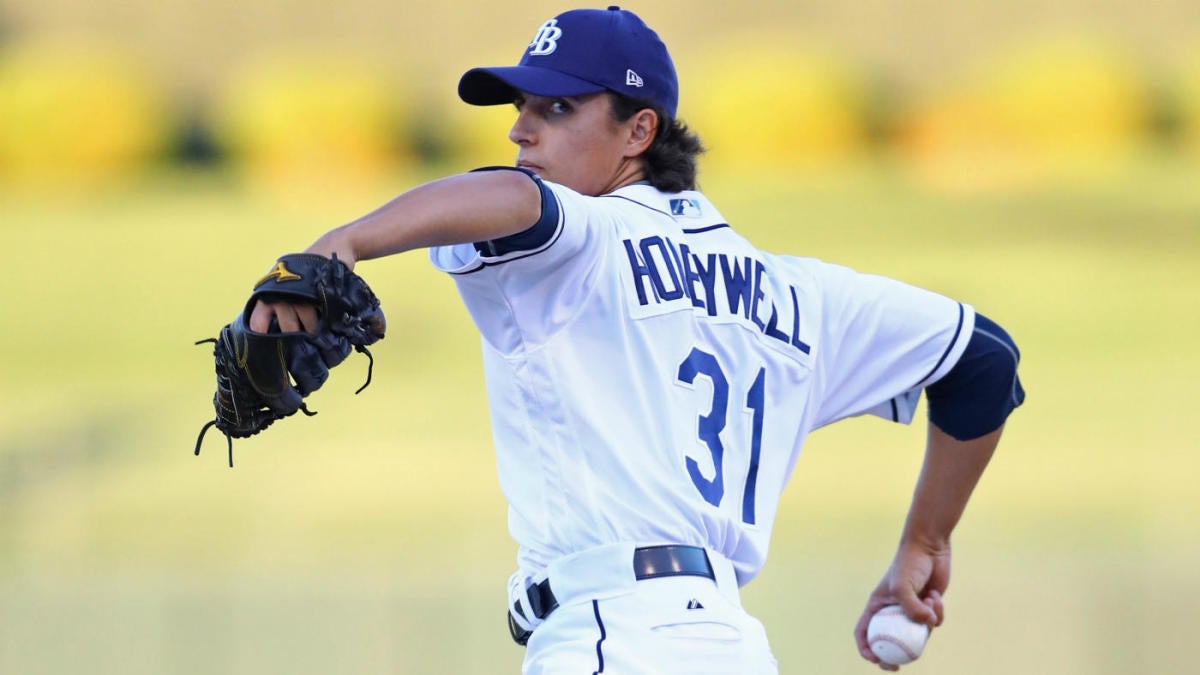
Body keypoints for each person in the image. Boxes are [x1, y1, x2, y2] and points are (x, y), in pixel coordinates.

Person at [250, 6, 1025, 673]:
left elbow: (517, 199)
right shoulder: (798, 292)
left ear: (639, 131)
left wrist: (345, 241)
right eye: (521, 104)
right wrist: (925, 541)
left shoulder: (587, 232)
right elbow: (983, 359)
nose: (521, 127)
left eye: (557, 109)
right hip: (733, 647)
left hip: (612, 638)